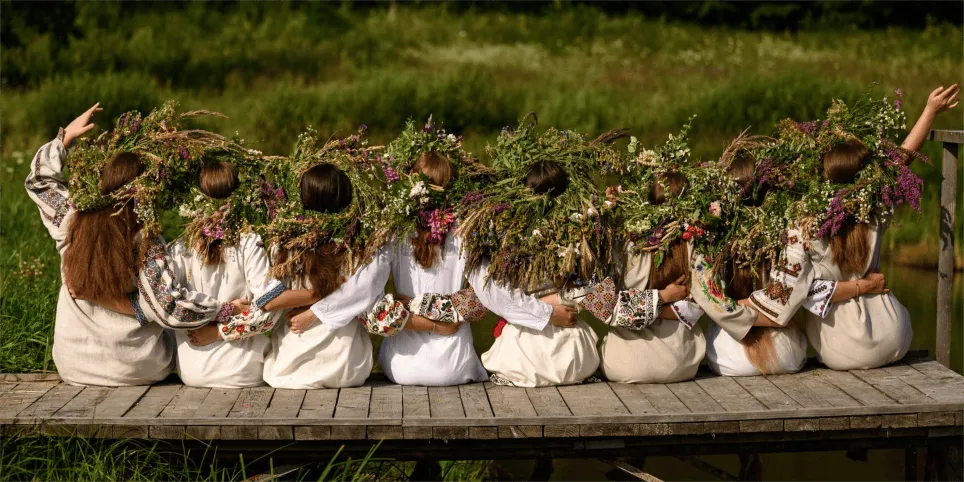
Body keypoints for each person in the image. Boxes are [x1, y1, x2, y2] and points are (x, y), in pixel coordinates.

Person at [25, 104, 247, 386]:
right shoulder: (144, 241)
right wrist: (222, 309)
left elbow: (39, 181)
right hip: (134, 368)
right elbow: (170, 310)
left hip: (73, 365)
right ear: (145, 193)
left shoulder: (71, 220)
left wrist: (65, 137)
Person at [743, 85, 959, 370]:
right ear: (866, 175)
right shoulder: (874, 208)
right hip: (895, 335)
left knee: (804, 289)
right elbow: (903, 157)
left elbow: (800, 290)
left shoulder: (806, 221)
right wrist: (930, 110)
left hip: (844, 349)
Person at [379, 152, 576, 386]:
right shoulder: (468, 232)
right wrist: (549, 312)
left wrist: (409, 304)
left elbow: (371, 307)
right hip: (454, 367)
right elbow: (489, 296)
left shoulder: (391, 233)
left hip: (400, 366)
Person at [167, 160, 320, 388]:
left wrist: (214, 324)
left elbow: (169, 308)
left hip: (193, 372)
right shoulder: (249, 243)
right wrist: (227, 320)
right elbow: (269, 312)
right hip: (244, 371)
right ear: (237, 197)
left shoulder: (178, 248)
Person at [481, 160, 597, 387]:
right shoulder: (579, 230)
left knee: (518, 362)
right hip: (571, 348)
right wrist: (558, 300)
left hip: (525, 350)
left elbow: (500, 293)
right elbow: (593, 285)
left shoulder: (509, 235)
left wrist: (545, 302)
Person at [599, 173, 706, 384]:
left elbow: (605, 307)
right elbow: (700, 304)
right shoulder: (695, 243)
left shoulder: (627, 246)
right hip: (681, 362)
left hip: (625, 363)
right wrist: (664, 298)